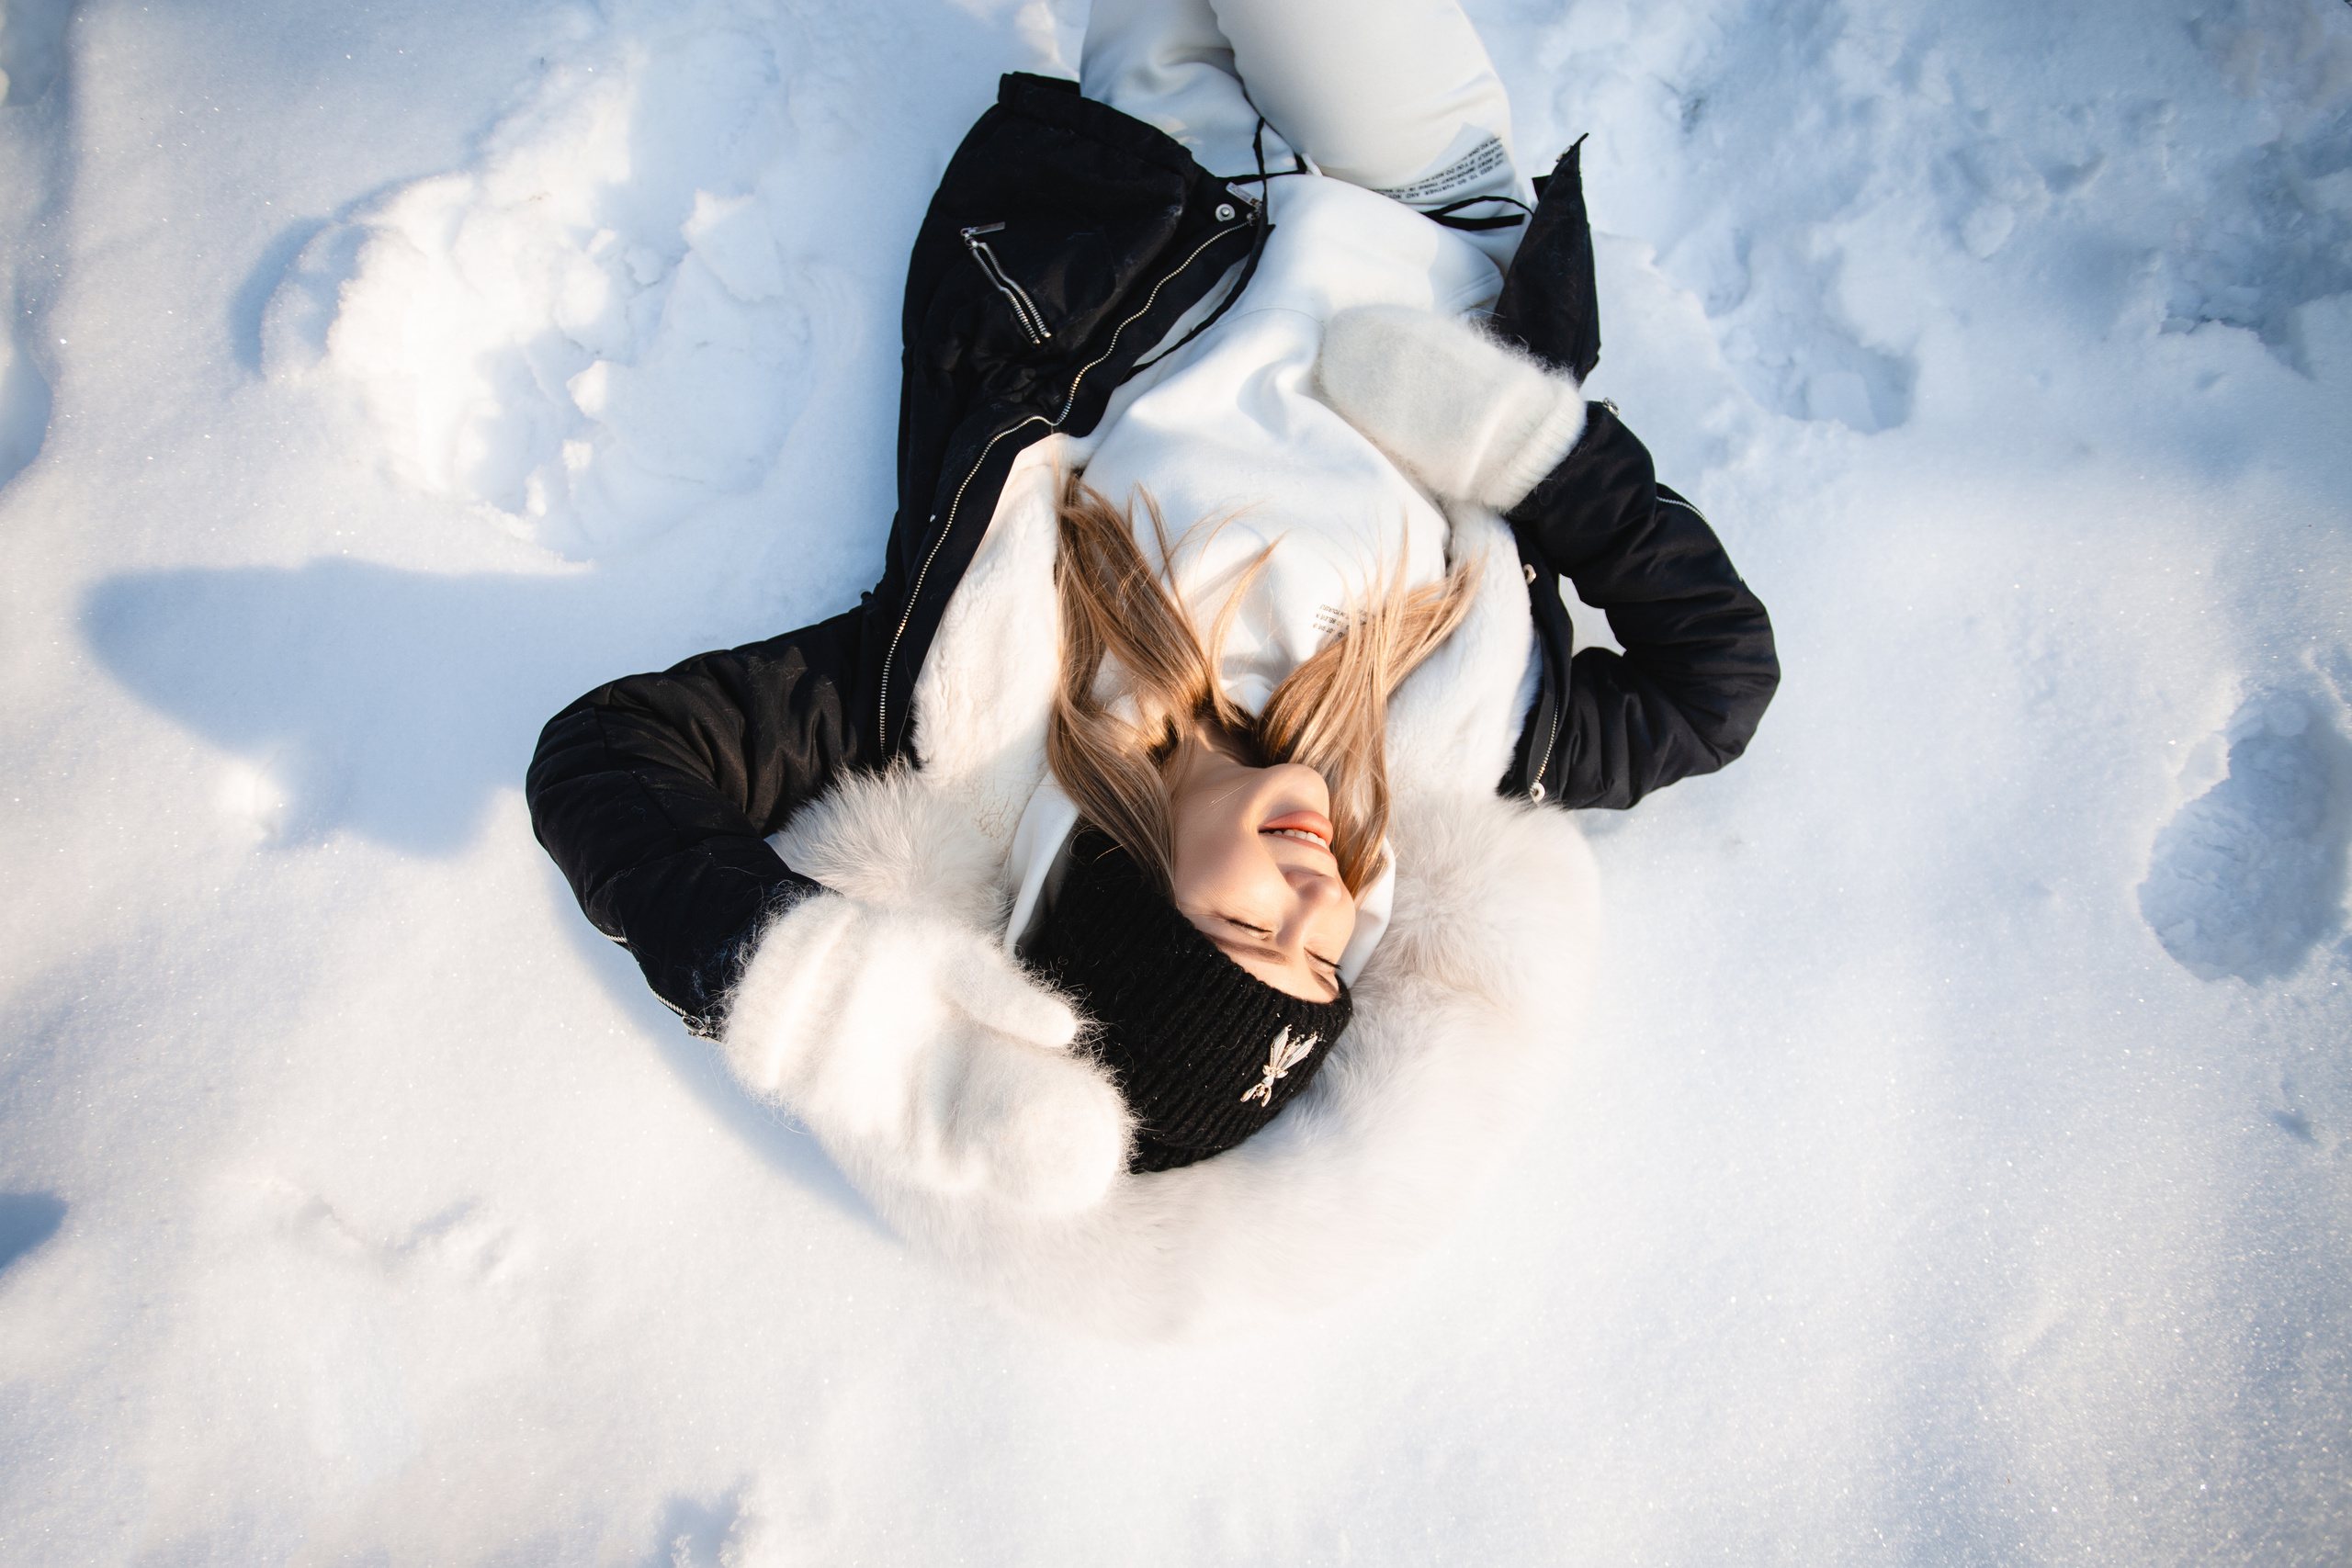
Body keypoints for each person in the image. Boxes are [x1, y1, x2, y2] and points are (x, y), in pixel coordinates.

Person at [528, 0, 1778, 1213]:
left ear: (1110, 871)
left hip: (1161, 176)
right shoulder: (1456, 735)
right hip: (1431, 211)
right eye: (1328, 961)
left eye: (1246, 924)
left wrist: (820, 1000)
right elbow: (1715, 685)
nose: (1318, 900)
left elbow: (606, 760)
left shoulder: (969, 705)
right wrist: (1529, 451)